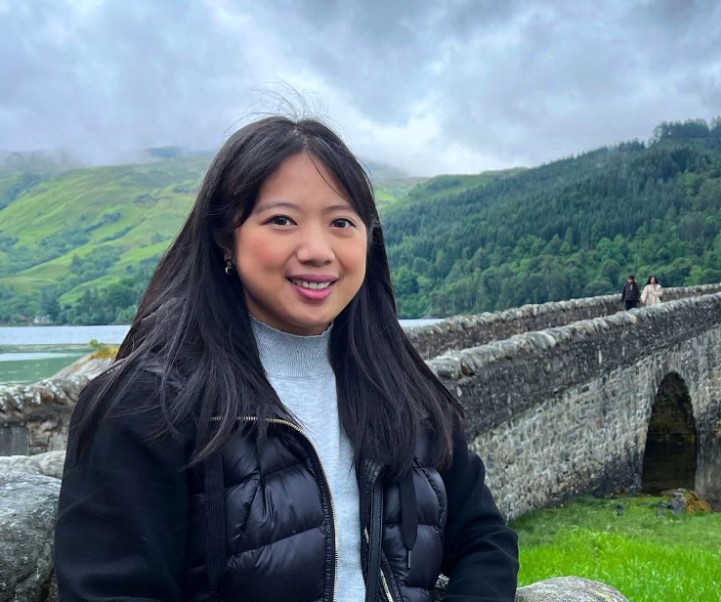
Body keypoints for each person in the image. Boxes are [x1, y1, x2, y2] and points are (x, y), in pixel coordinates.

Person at [54, 116, 518, 602]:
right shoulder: (150, 403)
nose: (317, 251)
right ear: (225, 238)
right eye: (282, 220)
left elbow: (484, 539)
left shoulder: (401, 388)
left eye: (341, 223)